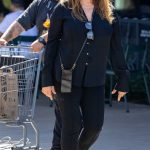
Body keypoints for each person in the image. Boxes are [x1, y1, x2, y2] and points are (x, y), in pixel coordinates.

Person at [42, 0, 130, 149]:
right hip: (66, 77)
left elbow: (116, 47)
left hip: (95, 78)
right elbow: (51, 44)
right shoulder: (63, 8)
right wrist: (46, 80)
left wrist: (123, 77)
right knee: (72, 124)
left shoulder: (109, 11)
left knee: (94, 127)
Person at [0, 0, 61, 150]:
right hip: (50, 65)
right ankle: (58, 146)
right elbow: (21, 23)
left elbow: (65, 27)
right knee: (63, 108)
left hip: (71, 64)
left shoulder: (74, 4)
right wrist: (4, 39)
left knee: (80, 118)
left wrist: (42, 39)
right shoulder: (41, 3)